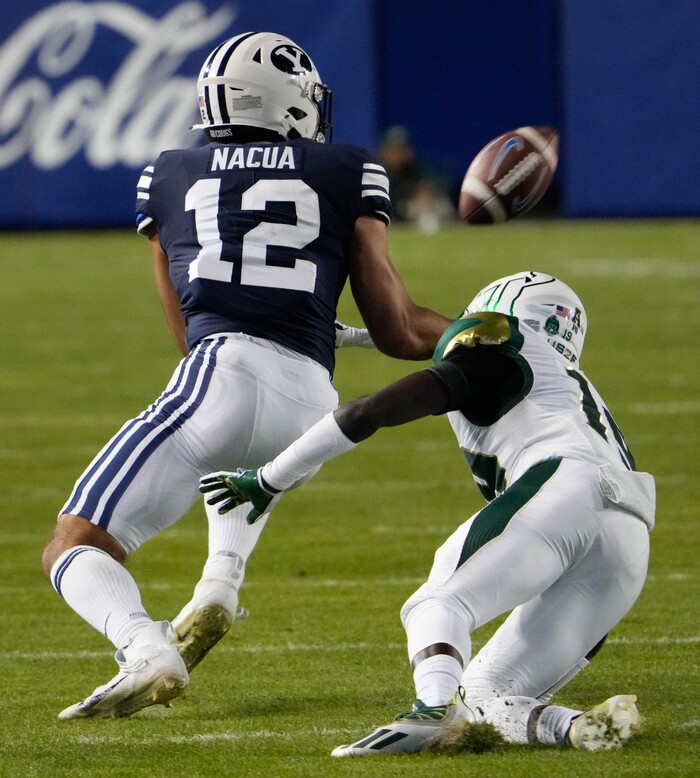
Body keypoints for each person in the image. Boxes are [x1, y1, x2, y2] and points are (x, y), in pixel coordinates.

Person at [41, 31, 452, 720]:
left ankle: (146, 646)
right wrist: (480, 331)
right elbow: (401, 330)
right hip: (310, 404)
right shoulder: (347, 168)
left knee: (74, 541)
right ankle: (218, 586)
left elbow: (187, 329)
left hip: (222, 372)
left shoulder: (168, 174)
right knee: (233, 460)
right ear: (287, 102)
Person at [200, 271, 655, 755]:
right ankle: (578, 727)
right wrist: (356, 337)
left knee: (438, 604)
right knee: (481, 697)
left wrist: (270, 478)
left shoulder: (501, 346)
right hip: (628, 542)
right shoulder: (564, 383)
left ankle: (432, 709)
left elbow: (366, 412)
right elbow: (444, 340)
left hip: (567, 491)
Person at [378, 125, 456, 232]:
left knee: (428, 204)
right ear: (384, 150)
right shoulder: (375, 171)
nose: (397, 154)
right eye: (393, 149)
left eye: (401, 149)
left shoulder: (416, 171)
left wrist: (427, 193)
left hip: (411, 218)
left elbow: (439, 186)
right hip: (385, 220)